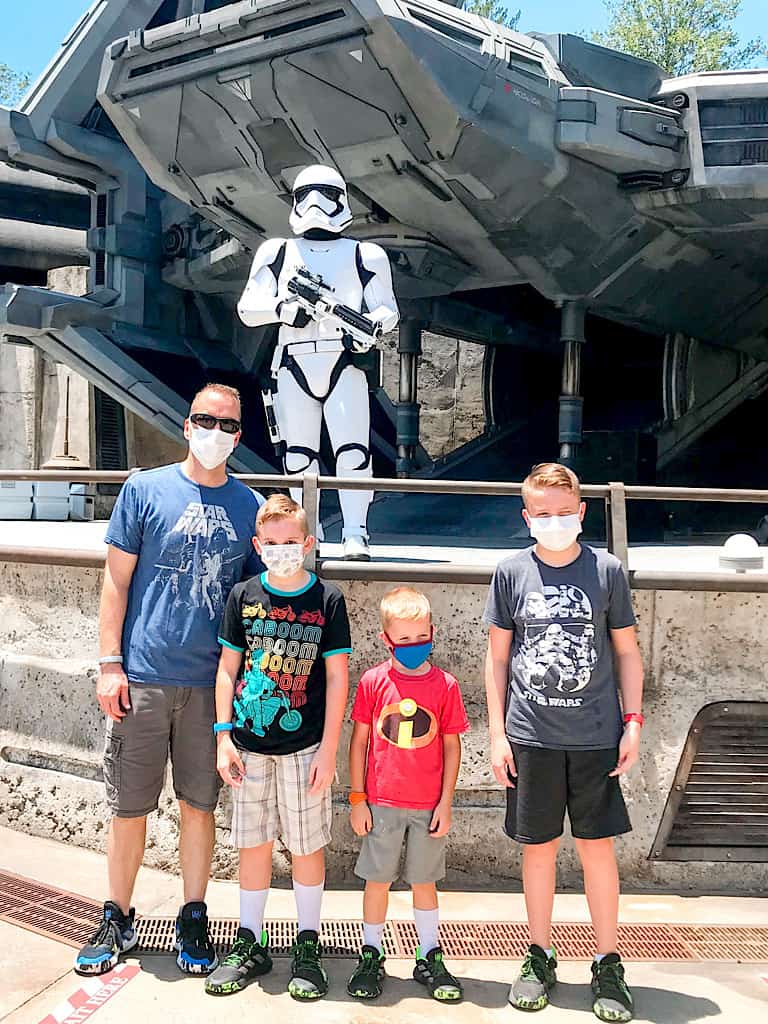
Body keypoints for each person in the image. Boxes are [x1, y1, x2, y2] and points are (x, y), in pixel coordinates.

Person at [74, 384, 264, 977]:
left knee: (198, 806)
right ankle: (118, 914)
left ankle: (193, 913)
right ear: (187, 425)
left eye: (228, 425)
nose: (216, 432)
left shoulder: (250, 506)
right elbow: (116, 583)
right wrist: (110, 664)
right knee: (128, 807)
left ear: (239, 436)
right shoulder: (143, 489)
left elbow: (255, 600)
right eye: (206, 420)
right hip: (145, 676)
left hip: (211, 689)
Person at [483, 463, 644, 1023]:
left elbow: (625, 650)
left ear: (581, 512)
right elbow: (499, 656)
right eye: (542, 513)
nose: (554, 522)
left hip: (597, 735)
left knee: (597, 849)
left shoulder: (607, 570)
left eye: (563, 511)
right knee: (538, 849)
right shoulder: (509, 572)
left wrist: (633, 721)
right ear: (527, 517)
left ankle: (607, 960)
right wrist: (498, 733)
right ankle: (538, 954)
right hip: (531, 736)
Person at [206, 494, 351, 1000]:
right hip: (247, 746)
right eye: (272, 543)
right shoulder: (244, 594)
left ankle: (308, 942)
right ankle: (250, 939)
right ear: (257, 545)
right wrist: (223, 737)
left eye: (291, 543)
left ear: (307, 544)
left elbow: (337, 679)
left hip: (305, 747)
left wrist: (329, 748)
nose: (282, 550)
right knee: (254, 843)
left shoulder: (327, 600)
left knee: (307, 845)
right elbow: (227, 669)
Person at [237, 163, 399, 561]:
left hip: (343, 360)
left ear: (341, 200)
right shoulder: (277, 252)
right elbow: (249, 307)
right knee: (299, 456)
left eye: (325, 194)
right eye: (306, 194)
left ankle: (356, 531)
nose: (315, 204)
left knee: (353, 453)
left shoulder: (366, 254)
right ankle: (304, 533)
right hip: (293, 361)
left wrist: (363, 328)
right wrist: (283, 309)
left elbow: (386, 311)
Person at [346, 587, 469, 1003]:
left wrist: (447, 802)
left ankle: (429, 953)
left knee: (425, 881)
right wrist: (357, 797)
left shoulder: (446, 686)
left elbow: (452, 745)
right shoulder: (373, 682)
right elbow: (360, 741)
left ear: (432, 633)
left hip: (428, 805)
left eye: (422, 638)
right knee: (377, 880)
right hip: (381, 803)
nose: (415, 647)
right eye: (405, 640)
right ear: (387, 640)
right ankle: (371, 953)